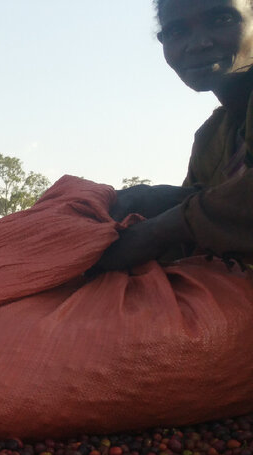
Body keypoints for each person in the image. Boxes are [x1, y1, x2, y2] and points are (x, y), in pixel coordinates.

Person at [96, 0, 253, 270]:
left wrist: (160, 230)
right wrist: (150, 200)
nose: (198, 44)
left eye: (222, 20)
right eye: (177, 31)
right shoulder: (211, 138)